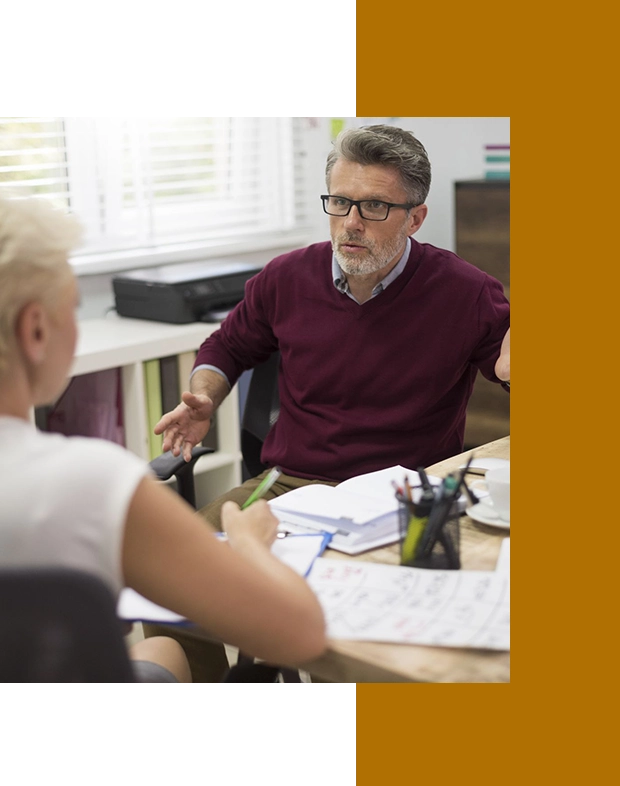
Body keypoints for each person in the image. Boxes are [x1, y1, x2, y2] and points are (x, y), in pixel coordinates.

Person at [148, 124, 511, 682]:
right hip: (291, 488)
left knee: (366, 639)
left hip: (403, 496)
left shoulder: (466, 291)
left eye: (373, 206)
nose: (351, 223)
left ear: (416, 218)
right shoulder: (285, 277)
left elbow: (509, 364)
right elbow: (227, 345)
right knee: (165, 571)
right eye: (339, 202)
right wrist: (203, 394)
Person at [0, 186, 327, 687]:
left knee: (162, 648)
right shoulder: (89, 485)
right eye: (73, 308)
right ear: (34, 330)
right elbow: (299, 634)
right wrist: (248, 543)